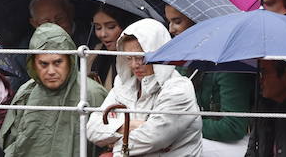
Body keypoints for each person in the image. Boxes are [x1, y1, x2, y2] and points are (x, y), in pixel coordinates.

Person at [87, 19, 202, 155]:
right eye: (129, 58)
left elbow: (152, 138)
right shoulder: (123, 84)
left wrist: (114, 145)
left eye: (142, 58)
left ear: (159, 53)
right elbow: (92, 129)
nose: (134, 65)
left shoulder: (178, 89)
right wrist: (131, 125)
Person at [0, 22, 107, 156]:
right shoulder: (26, 92)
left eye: (57, 62)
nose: (51, 71)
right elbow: (9, 143)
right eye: (43, 64)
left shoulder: (91, 93)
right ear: (33, 64)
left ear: (70, 60)